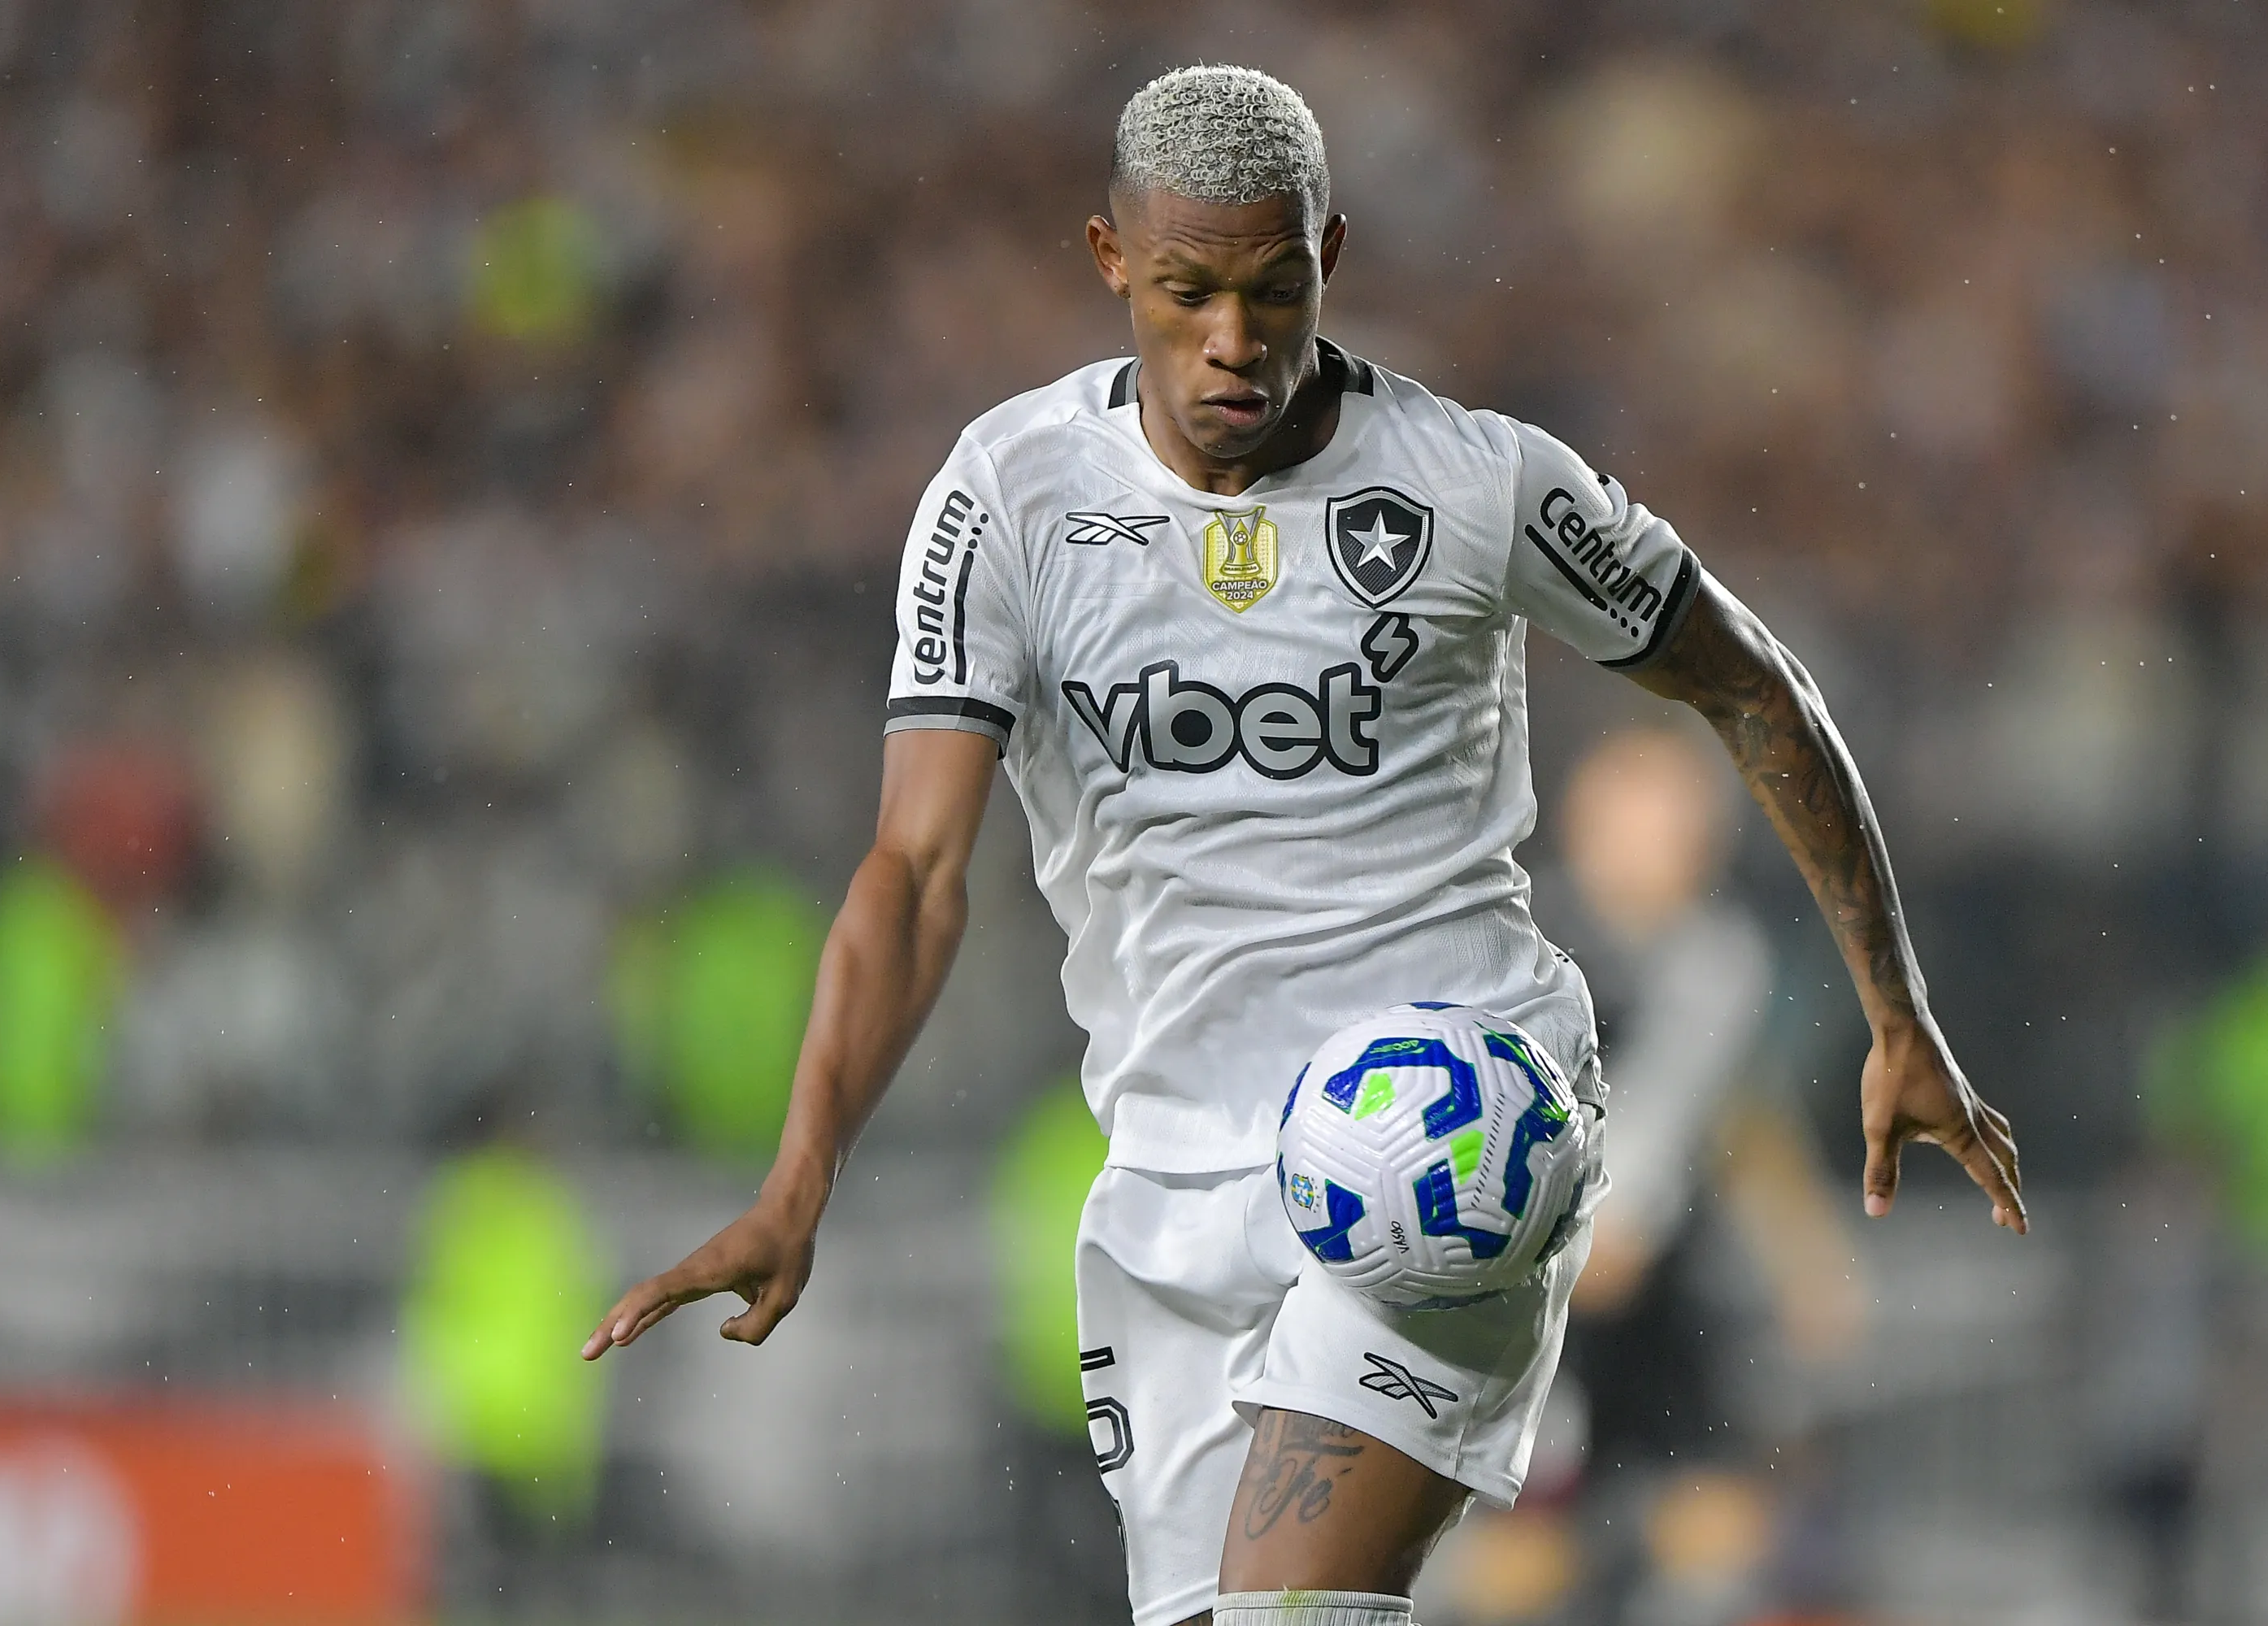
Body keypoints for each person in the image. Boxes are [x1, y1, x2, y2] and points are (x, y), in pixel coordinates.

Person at [582, 65, 2024, 1626]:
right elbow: (917, 875)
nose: (1234, 342)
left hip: (1443, 1132)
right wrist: (804, 1172)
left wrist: (1899, 1010)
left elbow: (1754, 686)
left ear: (1332, 252)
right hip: (1175, 1186)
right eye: (1190, 291)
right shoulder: (1006, 501)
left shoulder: (1477, 485)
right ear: (1108, 257)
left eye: (1276, 289)